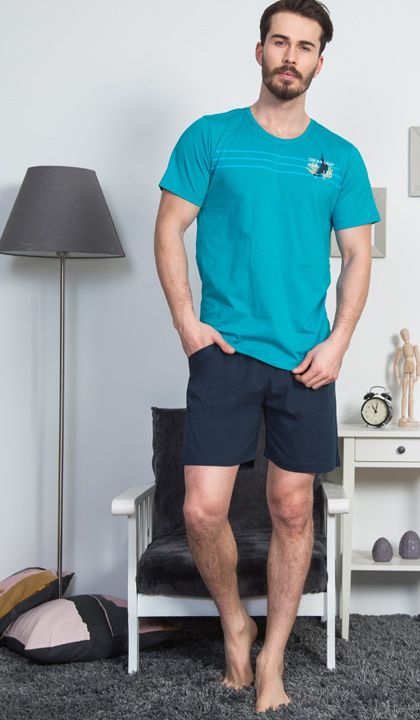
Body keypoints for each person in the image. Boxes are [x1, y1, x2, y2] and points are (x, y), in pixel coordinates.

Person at [154, 0, 380, 712]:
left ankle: (273, 653)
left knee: (291, 509)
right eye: (279, 41)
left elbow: (358, 256)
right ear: (259, 52)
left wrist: (338, 342)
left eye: (305, 46)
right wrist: (187, 323)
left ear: (320, 62)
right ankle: (235, 623)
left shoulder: (340, 157)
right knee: (201, 509)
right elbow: (168, 227)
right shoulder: (210, 137)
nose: (290, 55)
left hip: (305, 360)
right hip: (223, 351)